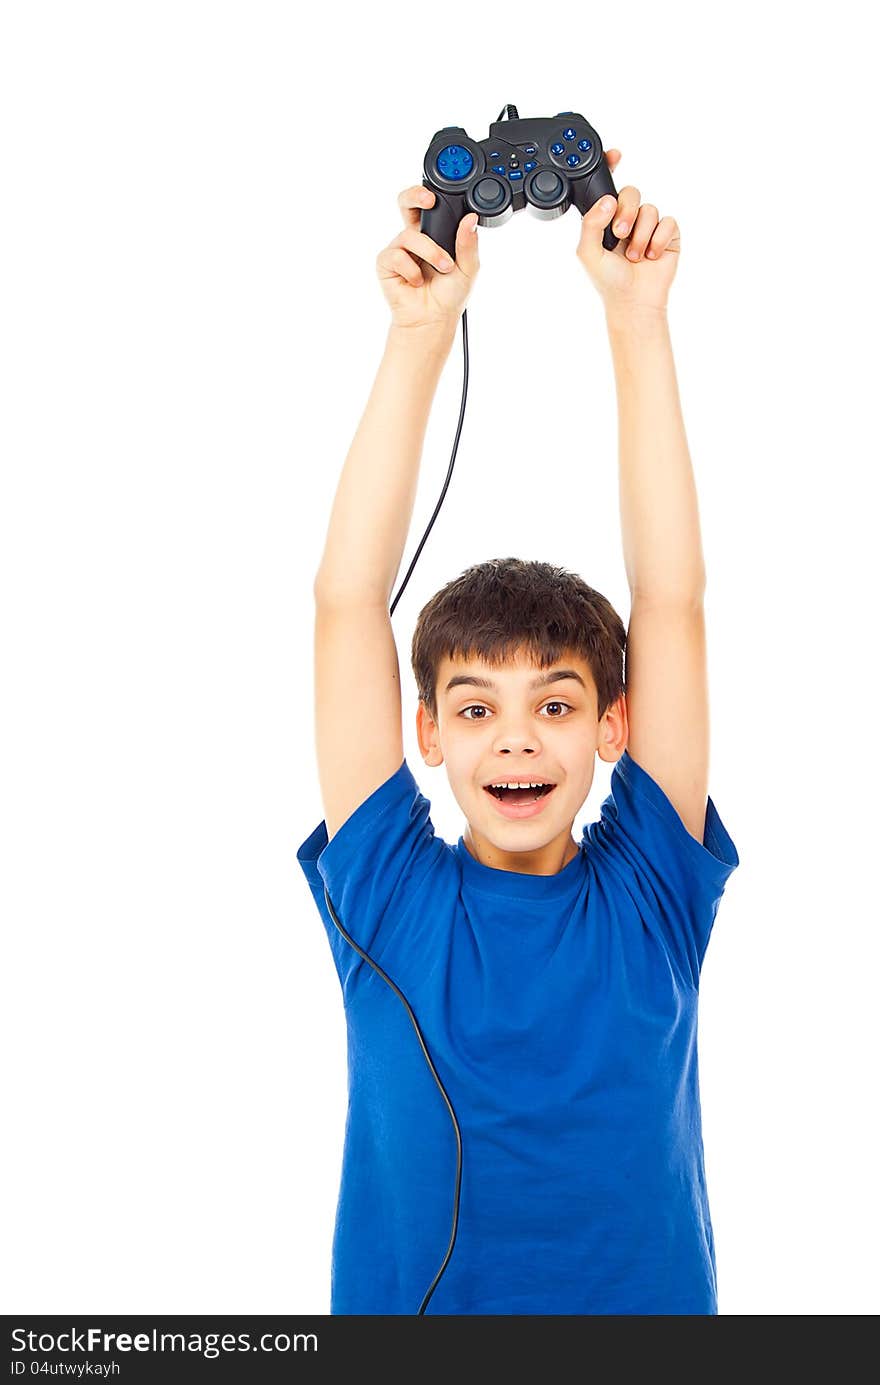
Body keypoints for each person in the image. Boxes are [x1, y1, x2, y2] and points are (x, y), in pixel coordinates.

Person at [296, 148, 740, 1315]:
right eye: (476, 708)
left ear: (613, 724)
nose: (516, 741)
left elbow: (672, 600)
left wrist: (636, 320)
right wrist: (419, 334)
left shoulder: (653, 886)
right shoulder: (387, 890)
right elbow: (347, 603)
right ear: (426, 734)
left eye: (554, 703)